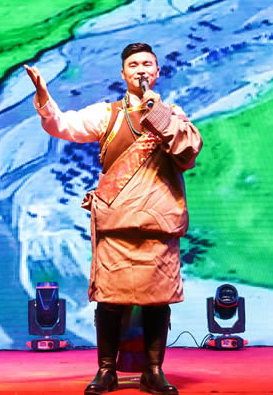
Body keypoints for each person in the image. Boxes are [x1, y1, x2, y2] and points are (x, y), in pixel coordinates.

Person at [25, 43, 202, 395]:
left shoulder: (172, 115)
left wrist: (156, 111)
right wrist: (44, 97)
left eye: (147, 64)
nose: (141, 69)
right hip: (116, 223)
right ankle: (106, 371)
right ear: (123, 74)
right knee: (110, 301)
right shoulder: (108, 115)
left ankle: (153, 371)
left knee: (157, 300)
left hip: (157, 223)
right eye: (133, 65)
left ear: (157, 72)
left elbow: (187, 150)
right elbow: (63, 125)